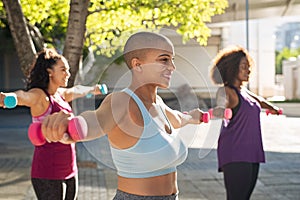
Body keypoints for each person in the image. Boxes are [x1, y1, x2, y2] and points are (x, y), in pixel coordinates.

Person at [40, 31, 208, 200]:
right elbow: (95, 121)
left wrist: (195, 117)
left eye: (173, 60)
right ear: (138, 65)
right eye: (164, 59)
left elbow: (179, 118)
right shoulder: (122, 101)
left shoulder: (158, 104)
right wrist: (70, 127)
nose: (172, 67)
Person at [0, 48, 105, 200]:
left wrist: (93, 89)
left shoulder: (60, 94)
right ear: (50, 71)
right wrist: (11, 97)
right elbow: (25, 96)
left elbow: (77, 90)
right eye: (63, 69)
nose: (67, 74)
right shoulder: (41, 96)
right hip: (48, 172)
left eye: (68, 70)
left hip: (70, 169)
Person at [210, 45, 281, 200]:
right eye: (243, 67)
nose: (248, 70)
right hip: (236, 153)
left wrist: (273, 108)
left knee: (244, 197)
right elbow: (222, 103)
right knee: (237, 197)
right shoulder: (227, 91)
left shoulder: (244, 92)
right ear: (232, 68)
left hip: (252, 153)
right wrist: (221, 111)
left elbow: (260, 101)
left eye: (249, 67)